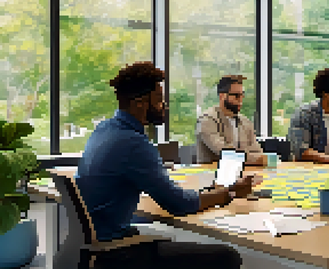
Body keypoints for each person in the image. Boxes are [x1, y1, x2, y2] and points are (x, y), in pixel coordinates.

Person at [75, 62, 258, 269]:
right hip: (115, 254)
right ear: (140, 103)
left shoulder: (104, 129)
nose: (164, 105)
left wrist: (213, 192)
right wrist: (229, 193)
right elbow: (178, 204)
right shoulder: (133, 144)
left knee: (169, 238)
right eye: (159, 100)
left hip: (97, 245)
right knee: (227, 256)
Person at [197, 75, 266, 166]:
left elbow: (258, 152)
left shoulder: (245, 122)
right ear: (222, 96)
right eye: (236, 96)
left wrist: (258, 159)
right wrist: (255, 159)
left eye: (242, 95)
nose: (240, 100)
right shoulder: (207, 120)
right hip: (213, 175)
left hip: (244, 174)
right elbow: (225, 153)